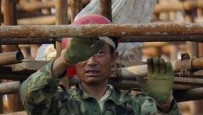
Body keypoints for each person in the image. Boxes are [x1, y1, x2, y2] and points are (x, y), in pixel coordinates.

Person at [20, 14, 180, 115]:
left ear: (114, 58)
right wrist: (64, 60)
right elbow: (30, 95)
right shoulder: (60, 105)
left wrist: (165, 103)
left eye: (100, 53)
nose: (91, 61)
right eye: (84, 55)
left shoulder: (137, 106)